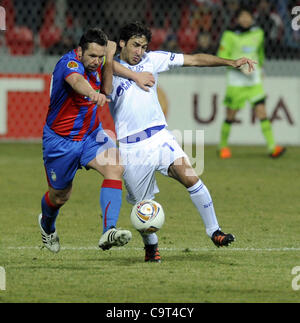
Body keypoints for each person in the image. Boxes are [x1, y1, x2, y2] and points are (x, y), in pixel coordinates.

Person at [108, 21, 256, 262]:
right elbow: (105, 63)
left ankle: (214, 231)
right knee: (143, 206)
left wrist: (230, 62)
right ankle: (151, 247)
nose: (140, 52)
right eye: (135, 45)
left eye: (144, 47)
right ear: (122, 43)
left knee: (190, 176)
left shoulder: (153, 60)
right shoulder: (108, 70)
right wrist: (134, 76)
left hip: (159, 136)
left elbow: (195, 59)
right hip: (131, 147)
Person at [39, 27, 155, 253]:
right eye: (92, 56)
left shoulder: (102, 61)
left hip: (92, 134)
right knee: (60, 196)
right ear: (80, 51)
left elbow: (107, 89)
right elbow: (76, 81)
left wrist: (109, 59)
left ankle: (108, 231)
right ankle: (47, 225)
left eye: (100, 57)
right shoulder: (69, 64)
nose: (96, 62)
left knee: (115, 167)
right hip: (61, 141)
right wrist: (91, 93)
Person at [217, 7, 286, 159]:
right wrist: (239, 67)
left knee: (262, 112)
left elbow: (260, 54)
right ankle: (222, 146)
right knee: (231, 115)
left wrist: (261, 69)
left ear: (252, 18)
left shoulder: (258, 33)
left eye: (248, 16)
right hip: (236, 82)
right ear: (237, 19)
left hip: (254, 81)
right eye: (242, 16)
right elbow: (222, 55)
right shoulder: (229, 35)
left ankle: (272, 147)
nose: (245, 19)